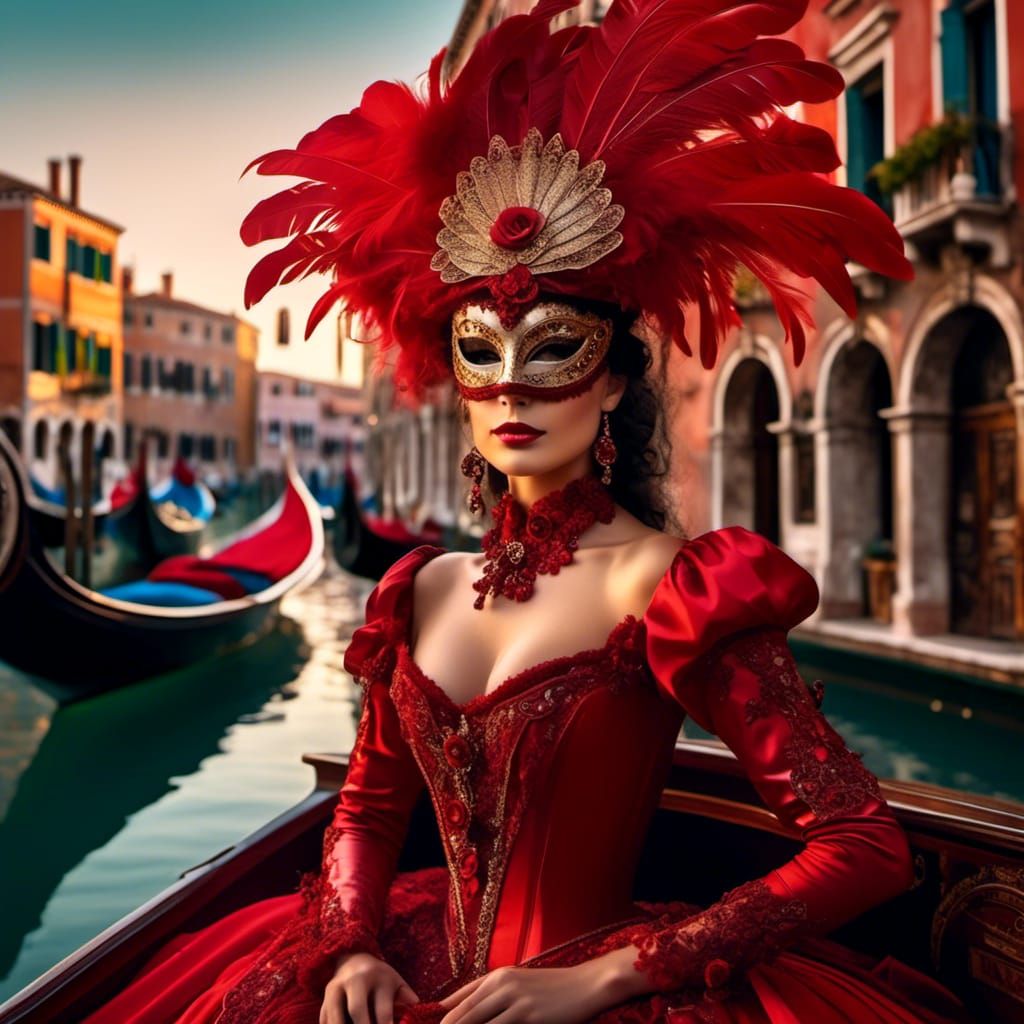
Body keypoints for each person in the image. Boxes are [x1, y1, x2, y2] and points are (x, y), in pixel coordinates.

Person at [83, 1, 975, 1022]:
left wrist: (618, 970)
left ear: (610, 389)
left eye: (552, 351)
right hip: (398, 973)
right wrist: (350, 945)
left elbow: (862, 844)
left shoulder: (668, 584)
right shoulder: (414, 588)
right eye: (480, 355)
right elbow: (368, 811)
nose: (510, 390)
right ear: (455, 382)